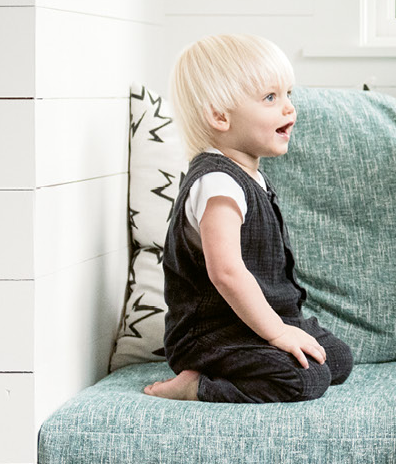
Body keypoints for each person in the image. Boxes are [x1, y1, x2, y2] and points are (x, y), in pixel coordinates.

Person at [144, 33, 353, 404]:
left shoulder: (249, 176)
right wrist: (277, 333)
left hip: (251, 325)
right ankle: (198, 384)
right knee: (305, 380)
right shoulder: (217, 183)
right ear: (219, 115)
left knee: (337, 359)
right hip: (212, 334)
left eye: (288, 94)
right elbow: (227, 272)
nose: (289, 108)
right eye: (270, 98)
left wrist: (287, 328)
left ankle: (259, 354)